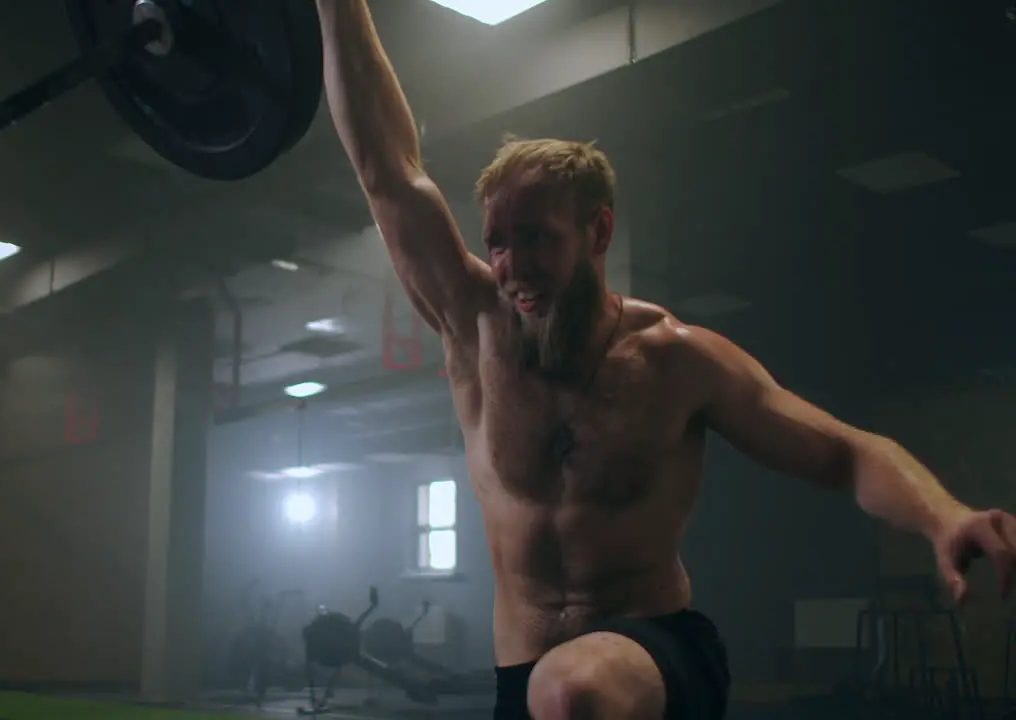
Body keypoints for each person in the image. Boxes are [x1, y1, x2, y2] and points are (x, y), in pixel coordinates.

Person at [313, 2, 1016, 718]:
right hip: (523, 682)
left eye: (535, 238)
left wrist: (943, 515)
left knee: (574, 689)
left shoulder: (676, 363)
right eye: (496, 241)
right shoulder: (474, 326)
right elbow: (387, 171)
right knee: (557, 690)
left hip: (656, 657)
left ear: (599, 231)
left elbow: (844, 453)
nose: (510, 265)